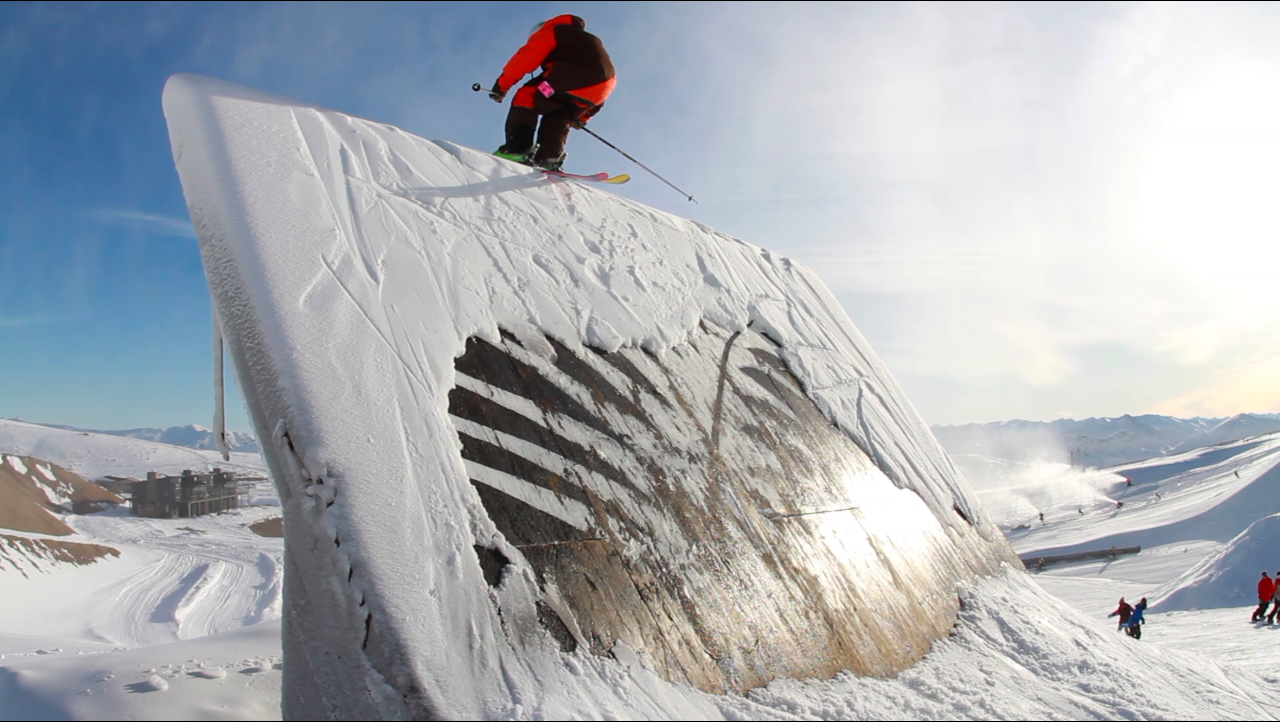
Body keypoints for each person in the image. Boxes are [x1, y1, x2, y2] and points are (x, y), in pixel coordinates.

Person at [486, 15, 616, 172]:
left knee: (527, 96)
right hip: (599, 90)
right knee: (558, 118)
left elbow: (524, 60)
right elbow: (599, 76)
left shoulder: (552, 31)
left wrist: (501, 86)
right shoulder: (587, 41)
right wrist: (582, 116)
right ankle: (548, 158)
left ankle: (517, 149)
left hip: (570, 79)